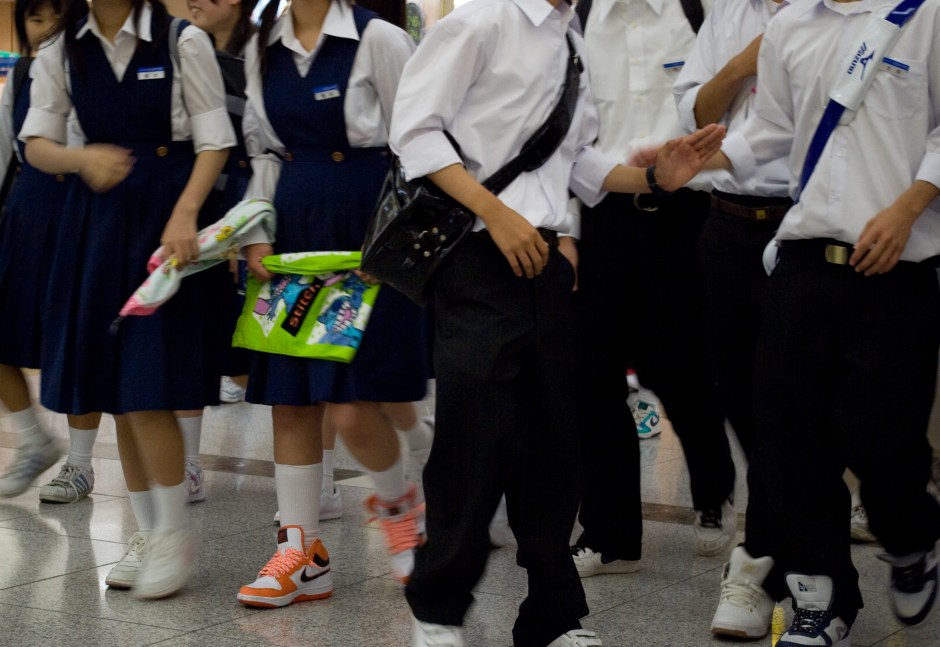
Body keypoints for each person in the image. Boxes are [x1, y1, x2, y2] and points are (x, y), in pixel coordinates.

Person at [389, 0, 725, 644]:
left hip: (542, 257)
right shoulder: (479, 23)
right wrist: (496, 213)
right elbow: (416, 133)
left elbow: (578, 163)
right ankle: (436, 609)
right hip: (477, 255)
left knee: (552, 442)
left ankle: (551, 616)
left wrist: (656, 176)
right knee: (475, 438)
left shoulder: (568, 40)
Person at [702, 0, 940, 641]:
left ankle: (912, 535)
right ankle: (822, 599)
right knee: (789, 442)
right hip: (803, 261)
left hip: (897, 266)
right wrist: (707, 159)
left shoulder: (927, 16)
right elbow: (773, 130)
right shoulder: (789, 27)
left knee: (881, 442)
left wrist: (909, 207)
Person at [22, 0, 236, 599]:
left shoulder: (180, 41)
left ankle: (172, 532)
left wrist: (186, 214)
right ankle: (149, 530)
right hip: (95, 224)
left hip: (170, 220)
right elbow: (36, 142)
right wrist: (79, 158)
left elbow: (215, 139)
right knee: (117, 391)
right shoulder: (63, 48)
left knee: (149, 385)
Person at [235, 0, 429, 608]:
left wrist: (397, 240)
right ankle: (303, 553)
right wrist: (256, 230)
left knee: (351, 404)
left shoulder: (381, 39)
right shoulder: (261, 44)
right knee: (290, 399)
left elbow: (419, 142)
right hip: (292, 225)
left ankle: (403, 514)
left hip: (369, 227)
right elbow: (261, 148)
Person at [569, 0, 740, 580]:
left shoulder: (703, 11)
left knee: (680, 367)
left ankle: (713, 490)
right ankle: (610, 532)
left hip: (689, 215)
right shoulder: (578, 17)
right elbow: (562, 132)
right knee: (592, 374)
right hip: (601, 212)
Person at [0, 0, 105, 505]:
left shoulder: (93, 66)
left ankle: (80, 464)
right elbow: (7, 151)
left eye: (54, 19)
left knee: (75, 341)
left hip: (81, 209)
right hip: (25, 211)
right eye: (33, 19)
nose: (44, 31)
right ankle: (33, 440)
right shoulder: (20, 74)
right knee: (4, 335)